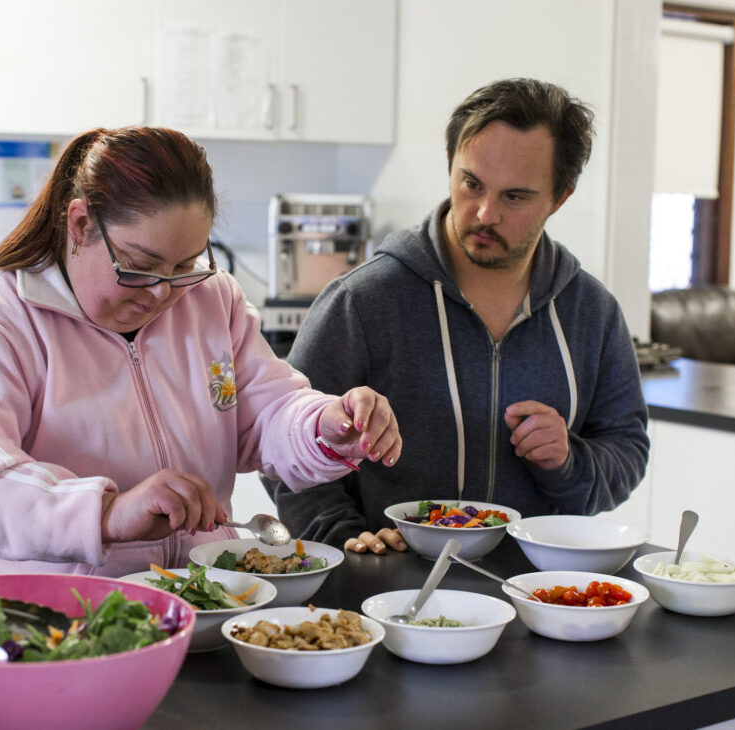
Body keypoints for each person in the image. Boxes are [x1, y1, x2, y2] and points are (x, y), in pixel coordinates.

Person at [0, 126, 401, 577]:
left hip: (197, 604)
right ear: (80, 224)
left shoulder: (211, 298)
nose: (162, 293)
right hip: (51, 621)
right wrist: (106, 514)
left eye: (184, 266)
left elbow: (265, 412)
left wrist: (325, 424)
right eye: (139, 265)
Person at [264, 78, 650, 554]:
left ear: (560, 197)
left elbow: (627, 450)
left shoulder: (593, 312)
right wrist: (346, 539)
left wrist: (568, 461)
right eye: (471, 183)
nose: (486, 213)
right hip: (388, 595)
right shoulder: (363, 301)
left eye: (515, 197)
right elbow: (285, 445)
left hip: (539, 591)